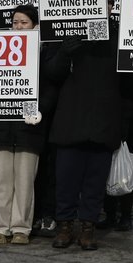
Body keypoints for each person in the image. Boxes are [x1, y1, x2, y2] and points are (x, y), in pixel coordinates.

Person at [44, 29, 125, 251]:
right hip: (71, 119)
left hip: (104, 119)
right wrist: (64, 52)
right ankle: (65, 225)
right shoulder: (64, 31)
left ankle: (88, 226)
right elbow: (51, 72)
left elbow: (128, 81)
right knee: (66, 179)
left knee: (95, 181)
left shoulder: (119, 34)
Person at [0, 6, 47, 244]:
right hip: (1, 125)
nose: (18, 26)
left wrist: (40, 109)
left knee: (24, 182)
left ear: (35, 26)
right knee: (0, 180)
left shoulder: (43, 53)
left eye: (24, 22)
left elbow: (50, 86)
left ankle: (21, 228)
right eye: (15, 22)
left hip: (29, 128)